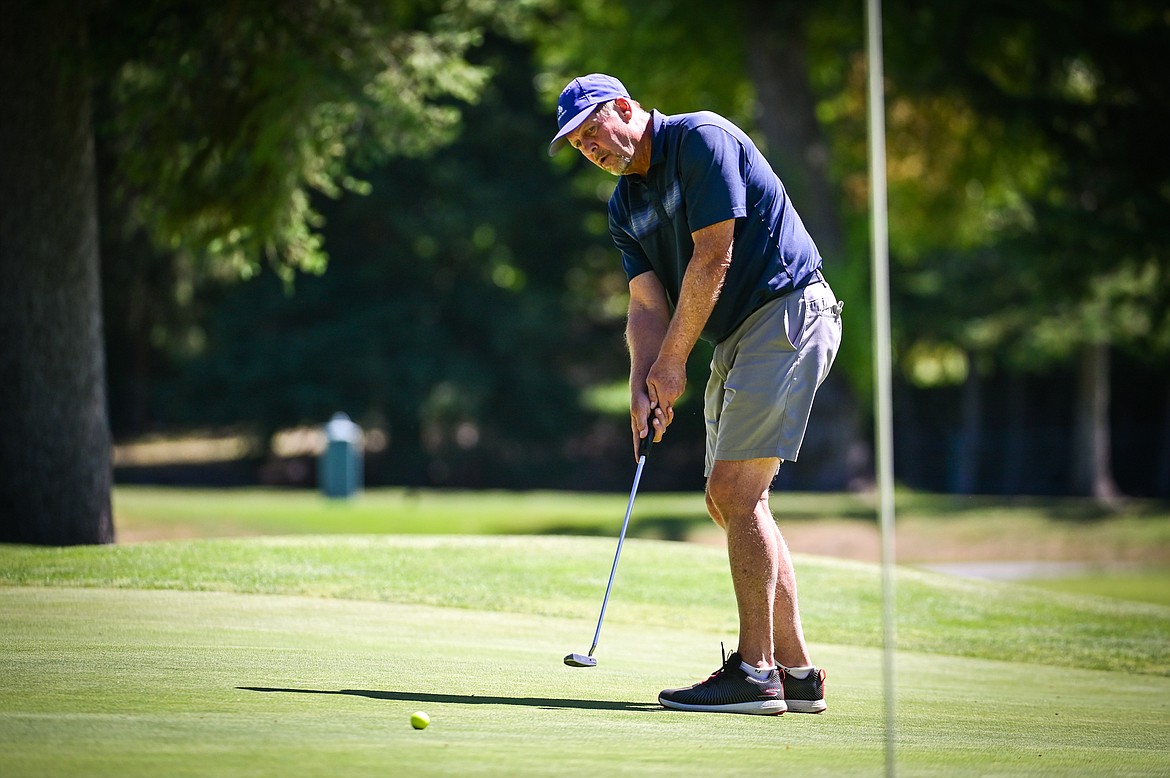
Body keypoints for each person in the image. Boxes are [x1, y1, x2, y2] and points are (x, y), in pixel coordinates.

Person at [549, 74, 842, 715]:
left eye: (594, 130)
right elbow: (645, 302)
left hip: (787, 309)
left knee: (736, 494)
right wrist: (641, 380)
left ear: (624, 108)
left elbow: (715, 257)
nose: (590, 148)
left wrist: (674, 364)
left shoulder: (701, 139)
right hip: (738, 334)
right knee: (732, 502)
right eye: (578, 145)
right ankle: (794, 672)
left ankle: (754, 671)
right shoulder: (625, 206)